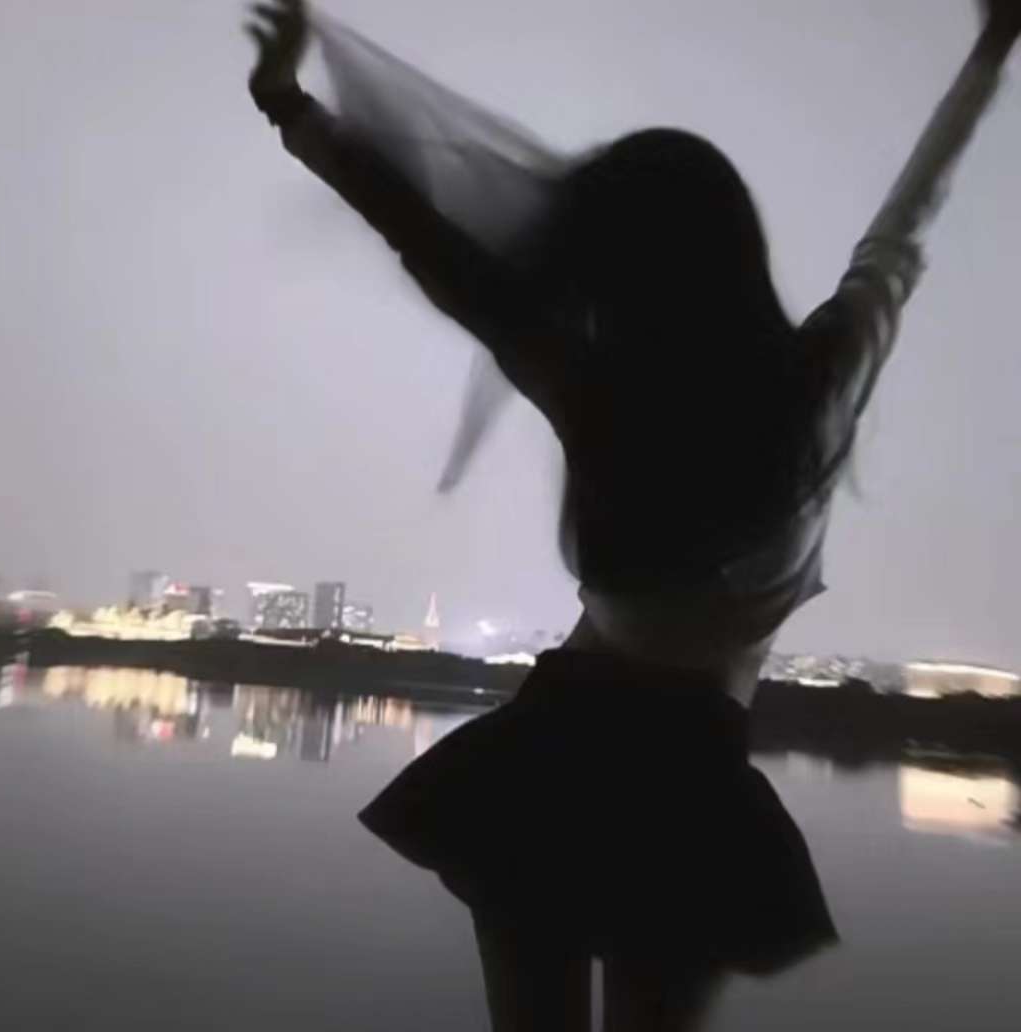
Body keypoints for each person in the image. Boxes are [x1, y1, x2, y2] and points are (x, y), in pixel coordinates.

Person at [246, 2, 1021, 1028]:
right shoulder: (818, 387)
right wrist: (989, 53)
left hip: (549, 763)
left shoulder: (599, 387)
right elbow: (906, 221)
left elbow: (435, 246)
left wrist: (292, 108)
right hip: (690, 787)